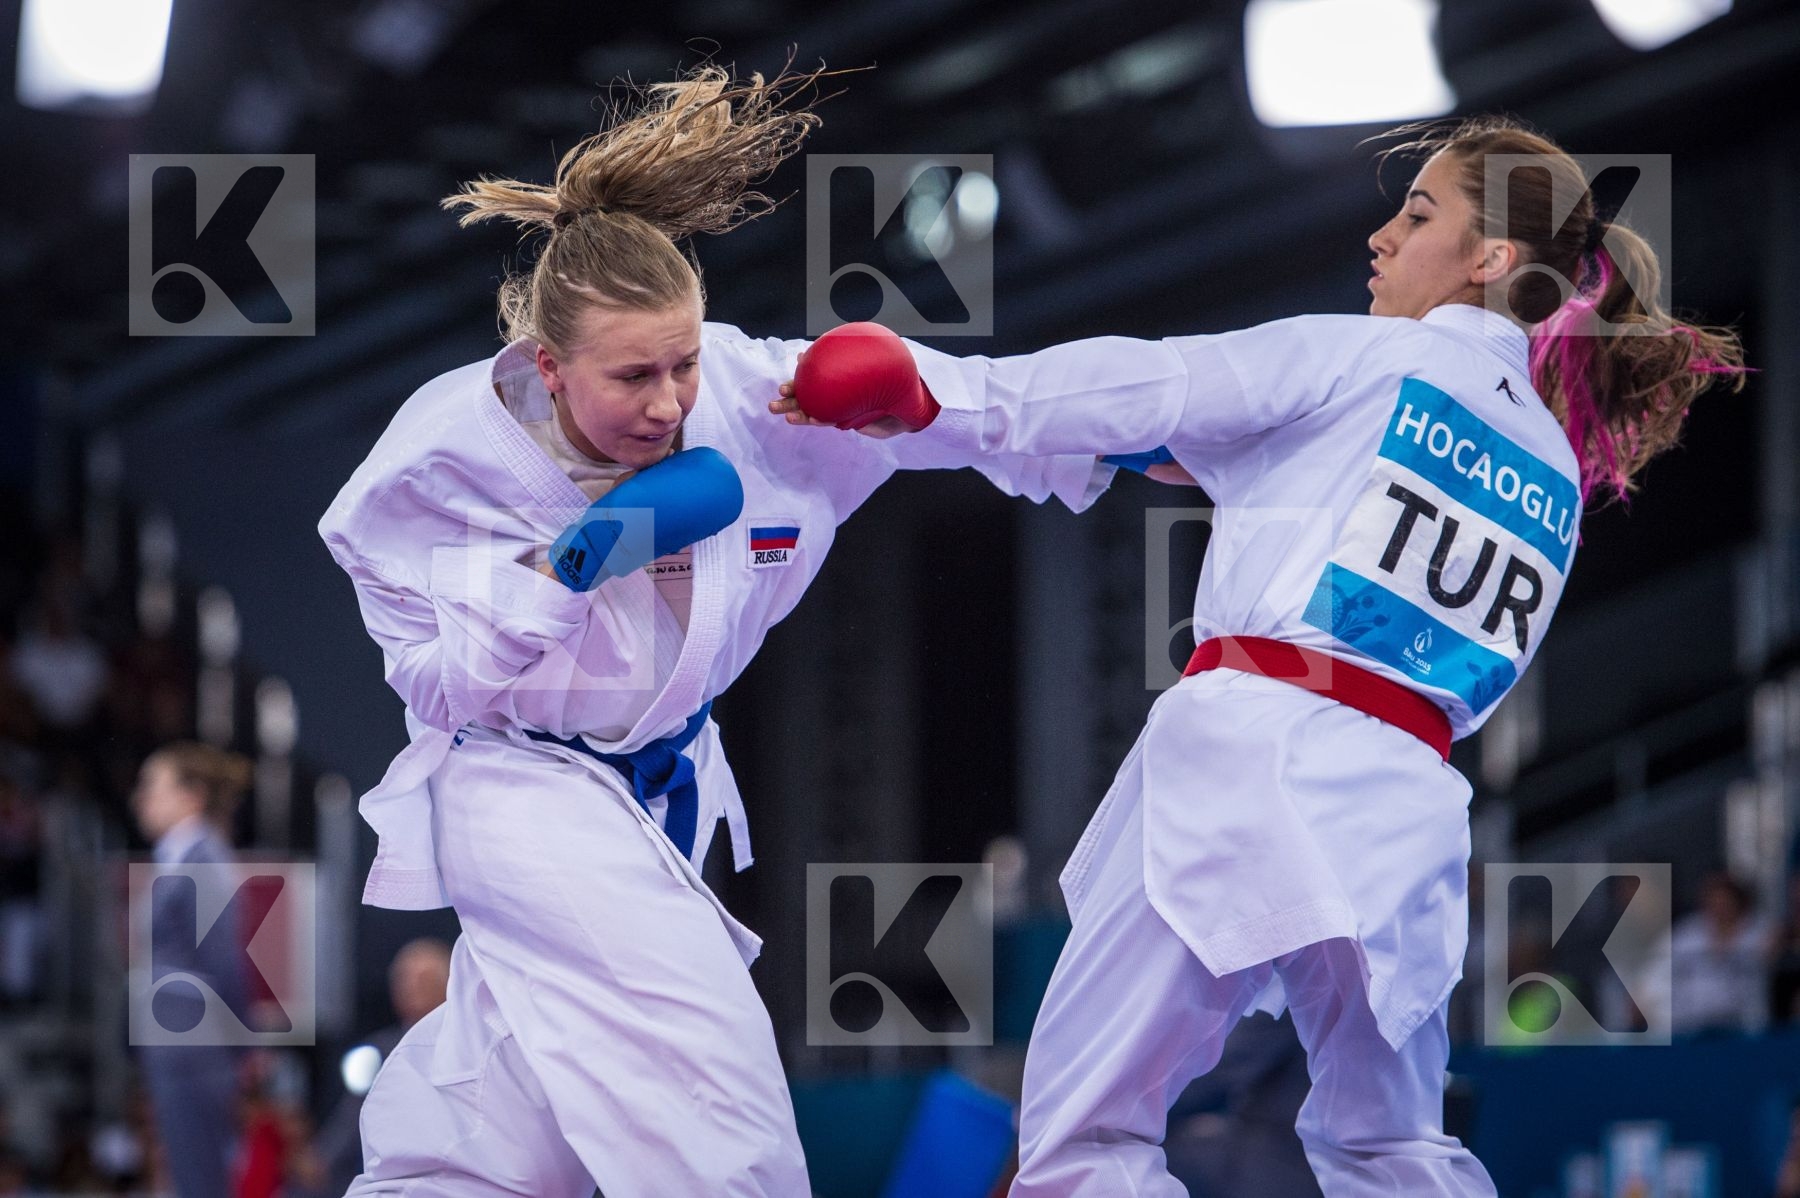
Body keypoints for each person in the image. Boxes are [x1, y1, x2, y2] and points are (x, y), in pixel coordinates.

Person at [776, 115, 1746, 1193]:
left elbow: (1149, 387)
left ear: (1492, 260)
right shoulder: (1553, 467)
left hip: (1252, 763)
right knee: (1391, 1144)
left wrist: (932, 392)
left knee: (1084, 1133)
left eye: (1418, 214)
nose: (1381, 236)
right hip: (1406, 817)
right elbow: (1188, 450)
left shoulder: (1366, 356)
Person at [317, 66, 1108, 1196]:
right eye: (632, 375)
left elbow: (974, 406)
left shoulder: (752, 395)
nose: (669, 402)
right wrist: (568, 564)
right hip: (520, 787)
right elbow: (438, 689)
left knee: (499, 1143)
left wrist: (1139, 442)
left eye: (682, 361)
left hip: (657, 792)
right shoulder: (433, 472)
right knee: (719, 1103)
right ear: (548, 366)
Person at [131, 741, 253, 1198]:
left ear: (192, 796)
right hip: (180, 1045)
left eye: (152, 786)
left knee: (200, 1178)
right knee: (187, 1174)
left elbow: (222, 958)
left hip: (195, 1046)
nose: (140, 798)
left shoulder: (205, 859)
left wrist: (243, 1045)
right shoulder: (179, 857)